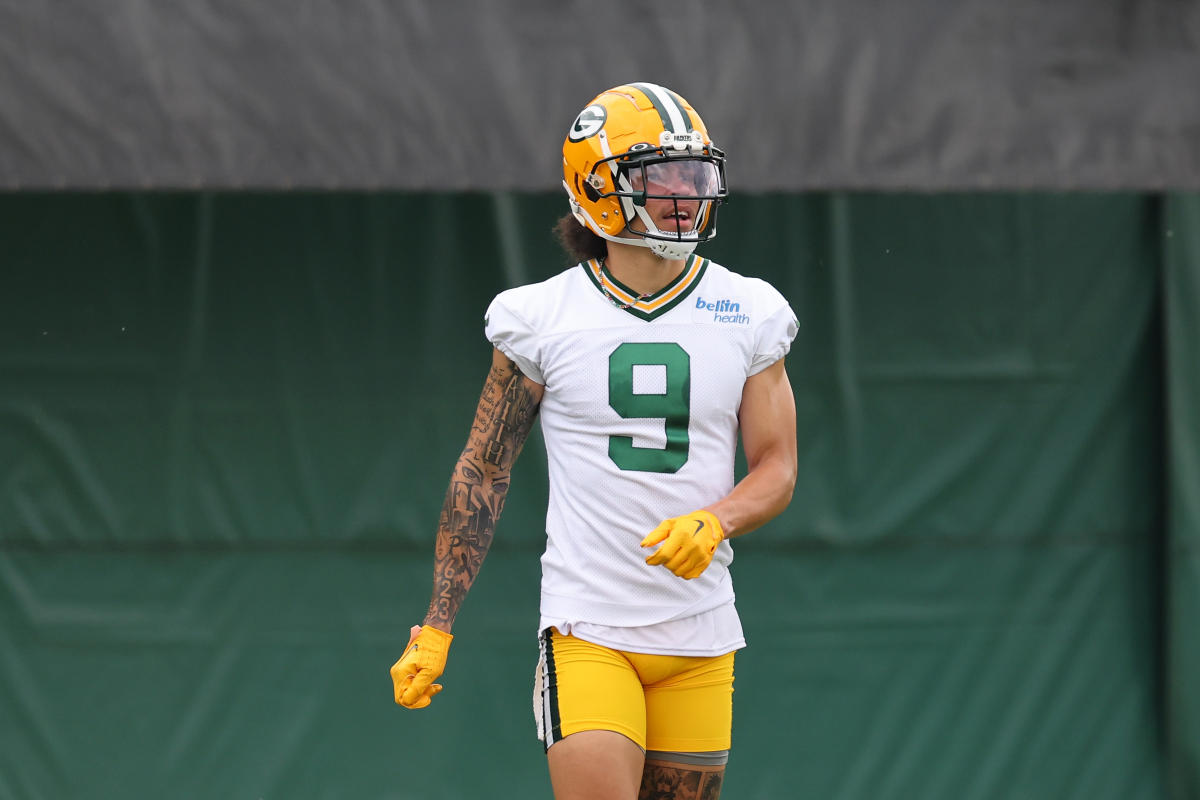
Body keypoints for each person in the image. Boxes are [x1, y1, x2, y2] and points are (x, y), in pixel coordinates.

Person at [391, 82, 799, 800]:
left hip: (701, 634)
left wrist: (717, 518)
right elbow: (484, 471)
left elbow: (778, 467)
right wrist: (436, 623)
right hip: (590, 629)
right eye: (659, 174)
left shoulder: (750, 310)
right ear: (598, 189)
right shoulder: (541, 317)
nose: (682, 191)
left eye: (692, 172)